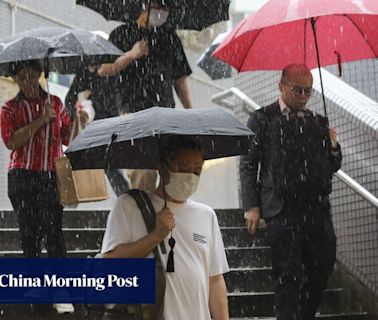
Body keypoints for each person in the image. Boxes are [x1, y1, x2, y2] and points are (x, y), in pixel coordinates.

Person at [240, 63, 342, 320]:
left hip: (316, 208)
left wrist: (332, 146)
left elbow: (331, 166)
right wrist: (252, 206)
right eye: (298, 90)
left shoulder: (317, 121)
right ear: (281, 86)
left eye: (308, 91)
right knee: (288, 273)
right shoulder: (262, 118)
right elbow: (249, 163)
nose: (303, 96)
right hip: (280, 208)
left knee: (323, 263)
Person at [101, 136, 229, 320]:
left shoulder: (206, 215)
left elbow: (215, 279)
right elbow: (108, 265)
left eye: (197, 171)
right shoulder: (130, 205)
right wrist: (156, 235)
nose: (190, 177)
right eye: (183, 169)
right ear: (162, 167)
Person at [0, 60, 88, 315]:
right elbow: (11, 141)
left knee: (55, 235)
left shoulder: (57, 104)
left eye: (30, 76)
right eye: (21, 78)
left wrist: (78, 123)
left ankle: (61, 291)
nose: (26, 82)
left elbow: (65, 140)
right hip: (22, 177)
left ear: (40, 75)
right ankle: (37, 297)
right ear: (15, 80)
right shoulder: (9, 108)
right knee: (30, 235)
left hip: (50, 176)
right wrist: (41, 120)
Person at [98, 0, 193, 192]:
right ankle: (144, 215)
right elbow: (104, 69)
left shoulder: (170, 37)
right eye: (160, 6)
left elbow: (180, 79)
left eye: (167, 8)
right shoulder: (121, 34)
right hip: (133, 112)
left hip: (166, 112)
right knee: (143, 171)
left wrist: (191, 112)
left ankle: (165, 216)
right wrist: (131, 55)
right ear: (146, 5)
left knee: (172, 171)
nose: (163, 11)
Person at [65, 66, 130, 197]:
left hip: (111, 126)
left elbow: (118, 100)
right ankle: (126, 196)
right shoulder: (83, 74)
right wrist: (80, 104)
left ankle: (126, 196)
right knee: (108, 165)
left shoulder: (112, 71)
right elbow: (69, 100)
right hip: (93, 127)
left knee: (110, 165)